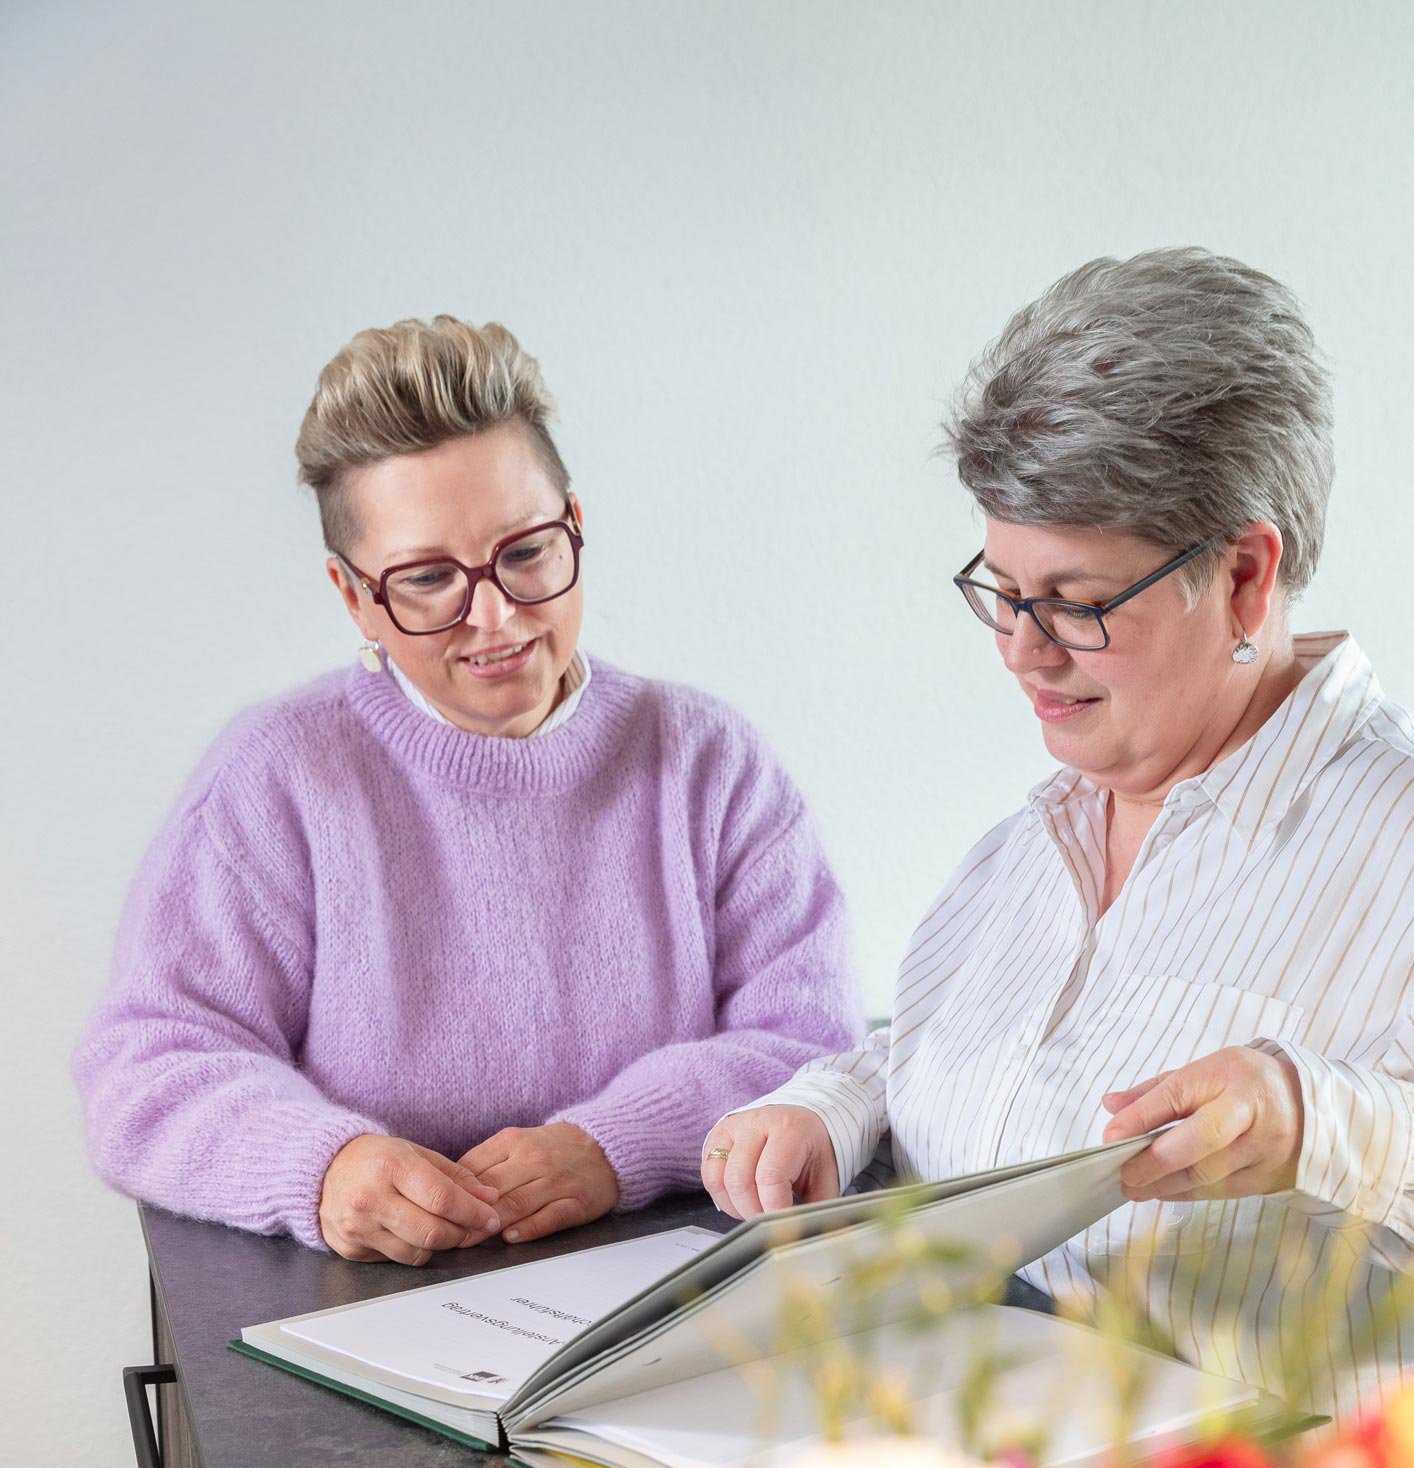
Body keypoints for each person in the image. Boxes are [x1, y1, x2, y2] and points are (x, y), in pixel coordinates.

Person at [700, 249, 1414, 1443]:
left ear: (1247, 578)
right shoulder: (1029, 843)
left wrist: (1326, 1127)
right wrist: (833, 1107)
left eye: (1075, 601)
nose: (1020, 649)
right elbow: (990, 1068)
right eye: (999, 590)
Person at [75, 316, 859, 1264]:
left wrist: (614, 1145)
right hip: (372, 1304)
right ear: (354, 595)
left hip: (671, 1280)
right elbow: (148, 1068)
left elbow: (812, 1045)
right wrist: (323, 1167)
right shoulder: (280, 776)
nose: (495, 616)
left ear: (575, 523)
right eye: (428, 578)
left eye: (526, 553)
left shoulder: (707, 763)